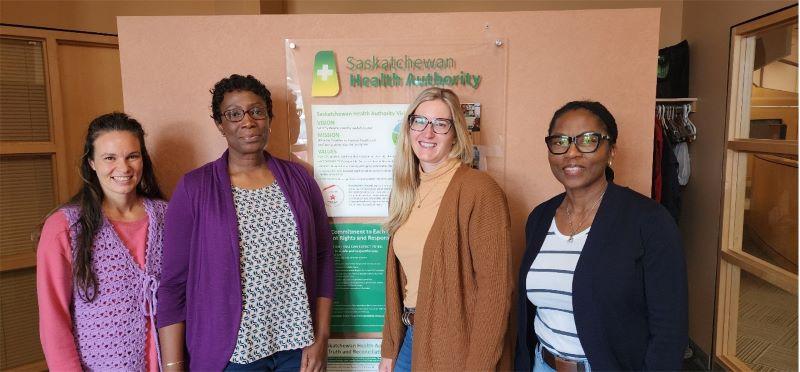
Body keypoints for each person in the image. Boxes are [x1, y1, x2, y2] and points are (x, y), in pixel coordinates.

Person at [157, 74, 334, 371]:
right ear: (220, 124)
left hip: (297, 349)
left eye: (257, 111)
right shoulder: (195, 188)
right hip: (231, 356)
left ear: (269, 117)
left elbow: (324, 258)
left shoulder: (300, 179)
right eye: (234, 114)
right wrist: (174, 365)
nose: (248, 121)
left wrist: (322, 336)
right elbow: (173, 284)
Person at [514, 101, 688, 371]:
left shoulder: (650, 222)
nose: (571, 152)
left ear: (611, 151)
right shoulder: (539, 218)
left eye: (587, 141)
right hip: (542, 364)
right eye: (560, 141)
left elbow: (669, 330)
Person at [379, 87, 513, 372]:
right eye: (420, 121)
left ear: (456, 133)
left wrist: (479, 367)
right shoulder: (403, 193)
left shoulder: (479, 190)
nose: (428, 133)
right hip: (409, 340)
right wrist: (390, 349)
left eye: (441, 124)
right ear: (409, 127)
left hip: (456, 347)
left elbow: (496, 293)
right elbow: (399, 285)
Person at [36, 112, 167, 371]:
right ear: (92, 163)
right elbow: (54, 320)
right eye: (110, 158)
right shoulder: (66, 227)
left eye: (132, 156)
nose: (124, 168)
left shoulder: (167, 216)